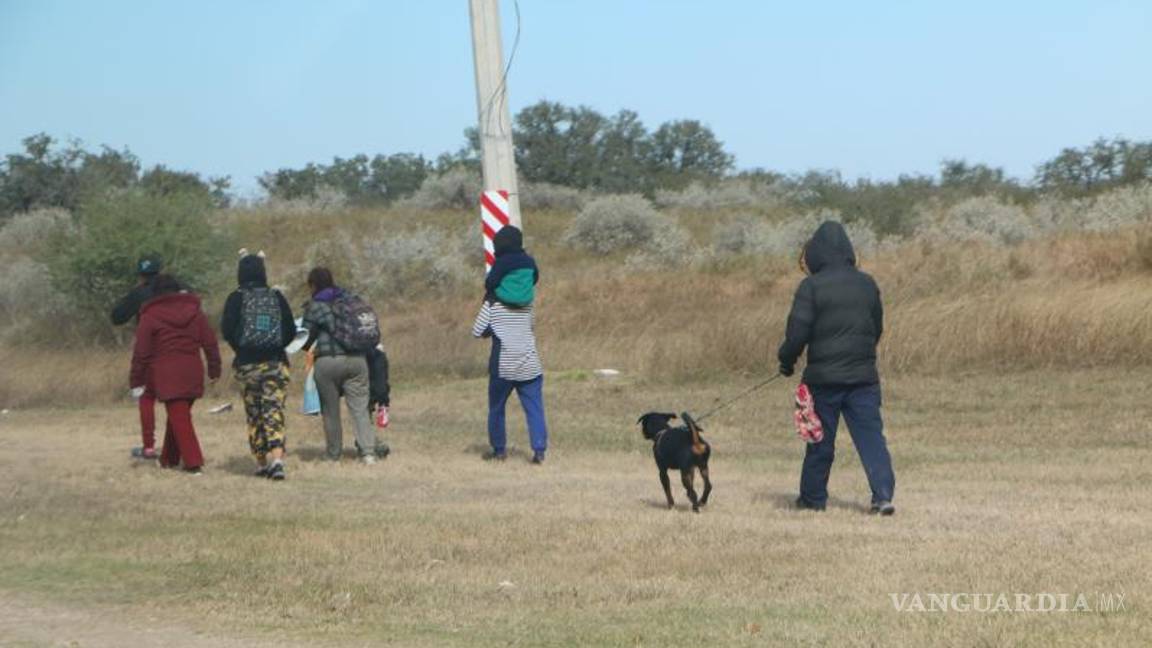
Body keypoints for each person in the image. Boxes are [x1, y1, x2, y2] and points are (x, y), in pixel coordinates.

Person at [778, 221, 896, 515]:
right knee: (871, 439)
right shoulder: (867, 283)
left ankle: (813, 500)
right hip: (863, 379)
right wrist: (861, 355)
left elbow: (796, 334)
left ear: (816, 254)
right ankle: (882, 497)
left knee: (819, 439)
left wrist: (786, 361)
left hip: (823, 379)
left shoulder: (811, 286)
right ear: (847, 251)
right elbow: (876, 328)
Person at [129, 274, 221, 473]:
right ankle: (169, 459)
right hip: (193, 370)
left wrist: (136, 379)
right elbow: (210, 342)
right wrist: (214, 369)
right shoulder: (195, 312)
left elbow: (141, 352)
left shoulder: (150, 316)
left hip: (167, 374)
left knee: (180, 417)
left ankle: (193, 462)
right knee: (179, 415)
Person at [472, 226, 548, 464]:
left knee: (496, 408)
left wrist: (490, 328)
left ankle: (499, 450)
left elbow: (477, 331)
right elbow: (531, 325)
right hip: (530, 362)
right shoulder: (528, 303)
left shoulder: (493, 303)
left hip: (503, 363)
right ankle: (539, 450)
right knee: (534, 408)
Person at [220, 252, 297, 480]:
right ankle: (278, 460)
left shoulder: (235, 298)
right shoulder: (276, 296)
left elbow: (227, 330)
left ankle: (261, 463)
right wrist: (275, 346)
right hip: (275, 363)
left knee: (254, 413)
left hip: (246, 365)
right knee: (273, 409)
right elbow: (290, 330)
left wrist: (242, 348)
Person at [301, 267, 379, 464]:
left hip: (327, 362)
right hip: (357, 360)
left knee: (330, 410)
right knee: (360, 408)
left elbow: (305, 339)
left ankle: (333, 454)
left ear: (313, 285)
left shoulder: (315, 305)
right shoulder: (350, 300)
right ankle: (368, 452)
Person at [110, 254, 164, 460]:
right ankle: (174, 445)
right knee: (175, 401)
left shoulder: (139, 293)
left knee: (146, 397)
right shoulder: (173, 289)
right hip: (174, 350)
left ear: (140, 275)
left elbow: (117, 317)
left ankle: (149, 446)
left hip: (148, 350)